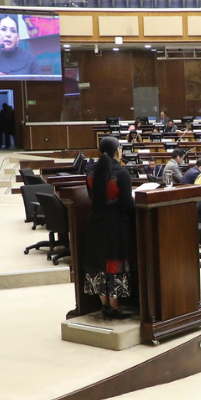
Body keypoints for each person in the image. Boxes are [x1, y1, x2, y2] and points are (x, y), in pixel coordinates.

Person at [83, 137, 135, 320]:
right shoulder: (122, 172)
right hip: (115, 225)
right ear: (117, 151)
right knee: (114, 263)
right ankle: (115, 306)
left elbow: (92, 196)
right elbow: (127, 203)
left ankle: (104, 304)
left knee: (99, 263)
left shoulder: (91, 172)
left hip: (95, 223)